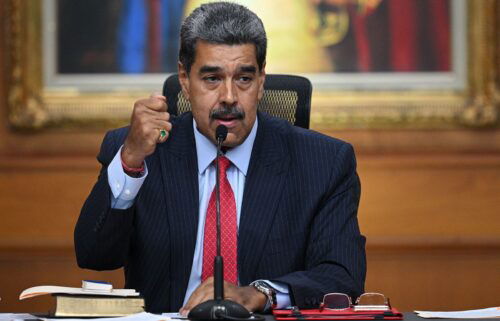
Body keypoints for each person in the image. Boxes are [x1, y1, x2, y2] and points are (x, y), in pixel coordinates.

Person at [75, 1, 366, 314]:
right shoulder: (142, 152)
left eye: (244, 78)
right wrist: (130, 161)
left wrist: (259, 294)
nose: (229, 96)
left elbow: (343, 277)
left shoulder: (322, 162)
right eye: (212, 78)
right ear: (185, 80)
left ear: (262, 80)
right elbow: (94, 256)